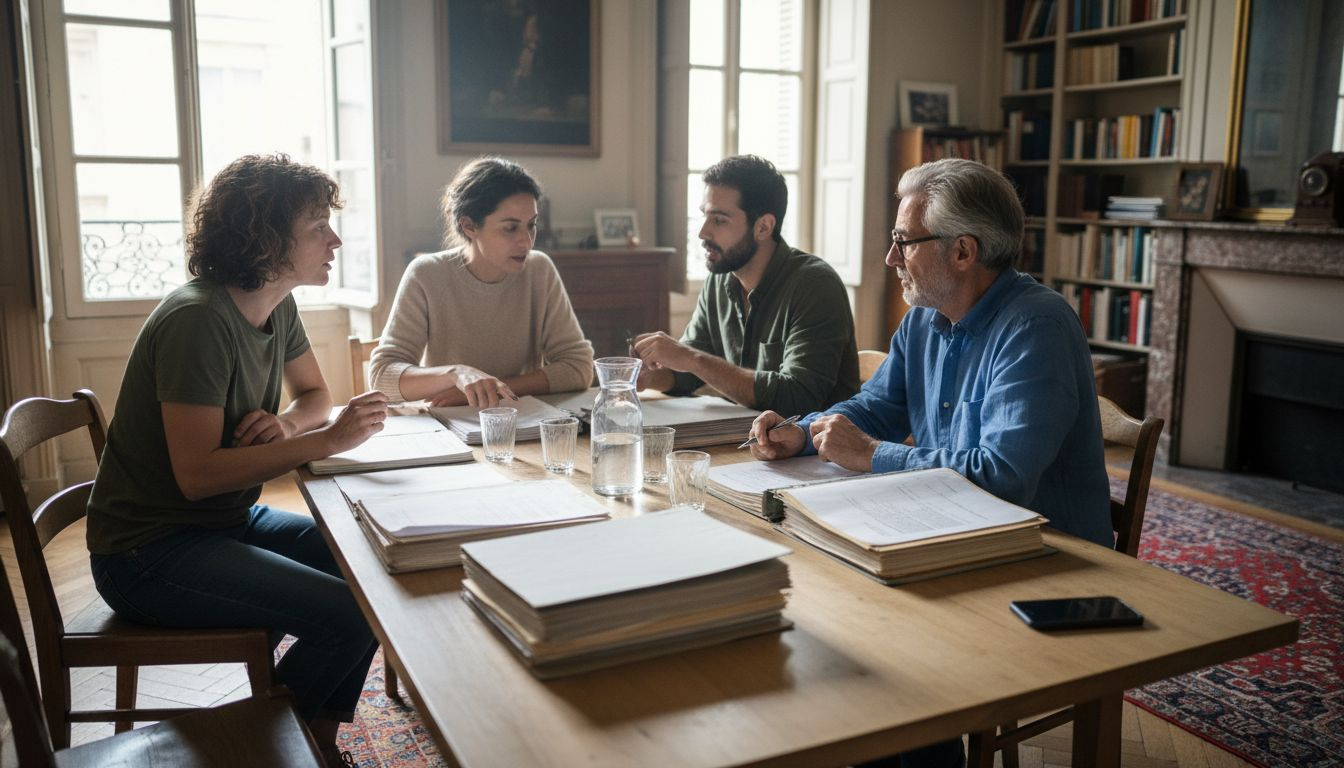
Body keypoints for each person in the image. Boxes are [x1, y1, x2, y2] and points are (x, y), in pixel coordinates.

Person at [749, 157, 1112, 768]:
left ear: (963, 252)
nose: (891, 260)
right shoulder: (924, 318)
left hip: (1046, 565)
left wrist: (872, 456)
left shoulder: (1036, 326)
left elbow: (1002, 477)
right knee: (822, 620)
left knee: (881, 663)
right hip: (949, 538)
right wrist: (803, 433)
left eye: (902, 242)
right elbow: (877, 406)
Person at [85, 153, 388, 766]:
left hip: (224, 523)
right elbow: (196, 478)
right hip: (147, 553)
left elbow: (316, 396)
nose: (334, 239)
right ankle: (264, 749)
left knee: (372, 569)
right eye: (316, 227)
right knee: (352, 609)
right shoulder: (198, 319)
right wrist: (321, 442)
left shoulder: (277, 306)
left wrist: (287, 423)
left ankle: (318, 744)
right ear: (266, 238)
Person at [632, 154, 859, 416]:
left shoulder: (816, 286)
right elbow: (688, 374)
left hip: (814, 450)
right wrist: (650, 376)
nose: (703, 232)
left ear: (763, 227)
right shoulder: (719, 279)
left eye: (719, 220)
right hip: (749, 443)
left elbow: (798, 398)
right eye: (704, 217)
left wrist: (690, 358)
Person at [370, 156, 594, 408]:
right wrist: (455, 375)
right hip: (450, 425)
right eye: (510, 228)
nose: (526, 241)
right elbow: (382, 376)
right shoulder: (427, 274)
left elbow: (578, 368)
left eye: (531, 225)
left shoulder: (539, 269)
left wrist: (492, 389)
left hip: (521, 421)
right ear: (469, 226)